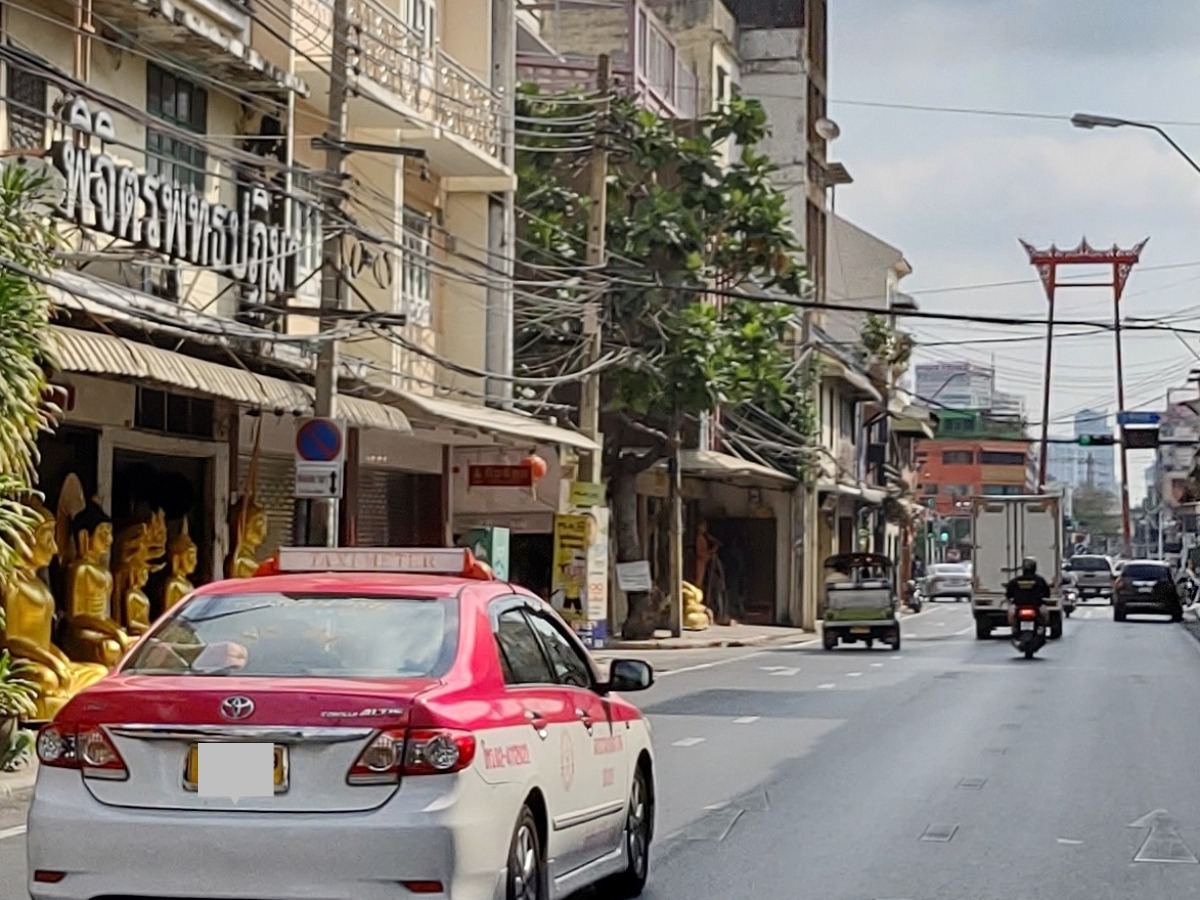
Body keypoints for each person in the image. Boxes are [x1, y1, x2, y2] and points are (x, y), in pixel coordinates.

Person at [1005, 556, 1050, 629]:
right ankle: (1042, 629)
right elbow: (1047, 593)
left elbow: (1008, 594)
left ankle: (1015, 629)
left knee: (1011, 614)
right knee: (1045, 616)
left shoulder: (1015, 581)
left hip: (1018, 605)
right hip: (1036, 605)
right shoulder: (1040, 580)